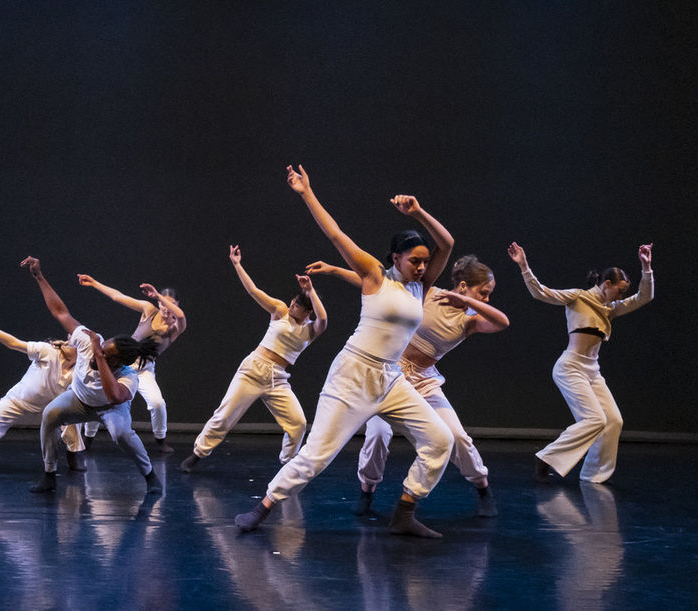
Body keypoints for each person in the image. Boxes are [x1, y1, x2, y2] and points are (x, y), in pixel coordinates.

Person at [235, 165, 455, 538]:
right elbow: (335, 233)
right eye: (413, 260)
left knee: (440, 440)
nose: (420, 266)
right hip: (353, 375)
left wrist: (417, 212)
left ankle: (404, 512)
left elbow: (446, 244)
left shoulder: (421, 284)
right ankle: (264, 505)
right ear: (395, 258)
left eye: (423, 261)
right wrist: (306, 192)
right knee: (317, 454)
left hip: (391, 378)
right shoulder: (374, 273)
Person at [309, 254, 509, 517]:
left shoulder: (470, 320)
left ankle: (482, 487)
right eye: (483, 293)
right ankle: (367, 490)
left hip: (425, 380)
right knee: (378, 434)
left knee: (457, 436)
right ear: (462, 285)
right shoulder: (427, 294)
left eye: (487, 295)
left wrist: (469, 301)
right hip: (390, 375)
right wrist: (334, 268)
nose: (485, 299)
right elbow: (374, 285)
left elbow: (502, 322)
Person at [508, 241, 654, 484]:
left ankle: (593, 476)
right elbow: (541, 292)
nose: (621, 296)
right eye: (619, 291)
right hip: (570, 367)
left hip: (592, 371)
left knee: (614, 420)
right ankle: (546, 458)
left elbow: (645, 296)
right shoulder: (578, 298)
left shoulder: (610, 309)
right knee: (595, 419)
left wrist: (646, 267)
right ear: (607, 285)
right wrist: (523, 265)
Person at [20, 256, 162, 495]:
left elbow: (114, 396)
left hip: (111, 408)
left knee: (121, 434)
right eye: (102, 348)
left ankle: (150, 476)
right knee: (50, 415)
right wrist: (39, 277)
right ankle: (49, 474)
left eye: (107, 355)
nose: (100, 353)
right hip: (79, 399)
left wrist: (99, 355)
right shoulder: (88, 340)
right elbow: (61, 313)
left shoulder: (128, 376)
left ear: (118, 363)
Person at [180, 245, 327, 473]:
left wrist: (311, 291)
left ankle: (288, 463)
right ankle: (197, 454)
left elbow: (324, 319)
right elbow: (253, 290)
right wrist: (237, 264)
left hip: (277, 379)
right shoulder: (280, 311)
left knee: (298, 424)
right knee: (224, 416)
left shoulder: (311, 330)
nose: (292, 306)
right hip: (252, 370)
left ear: (307, 312)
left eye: (298, 306)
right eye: (293, 302)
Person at [0, 305, 87, 471]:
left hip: (51, 408)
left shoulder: (83, 368)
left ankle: (73, 455)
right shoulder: (48, 351)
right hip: (19, 401)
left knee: (72, 414)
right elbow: (13, 343)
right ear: (70, 340)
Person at [76, 275, 187, 454]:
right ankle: (88, 438)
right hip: (123, 364)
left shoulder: (175, 327)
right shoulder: (149, 310)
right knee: (101, 397)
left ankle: (161, 441)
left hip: (144, 371)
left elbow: (180, 315)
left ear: (176, 304)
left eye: (170, 304)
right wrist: (95, 283)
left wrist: (159, 296)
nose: (166, 308)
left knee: (158, 403)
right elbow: (117, 296)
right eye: (162, 304)